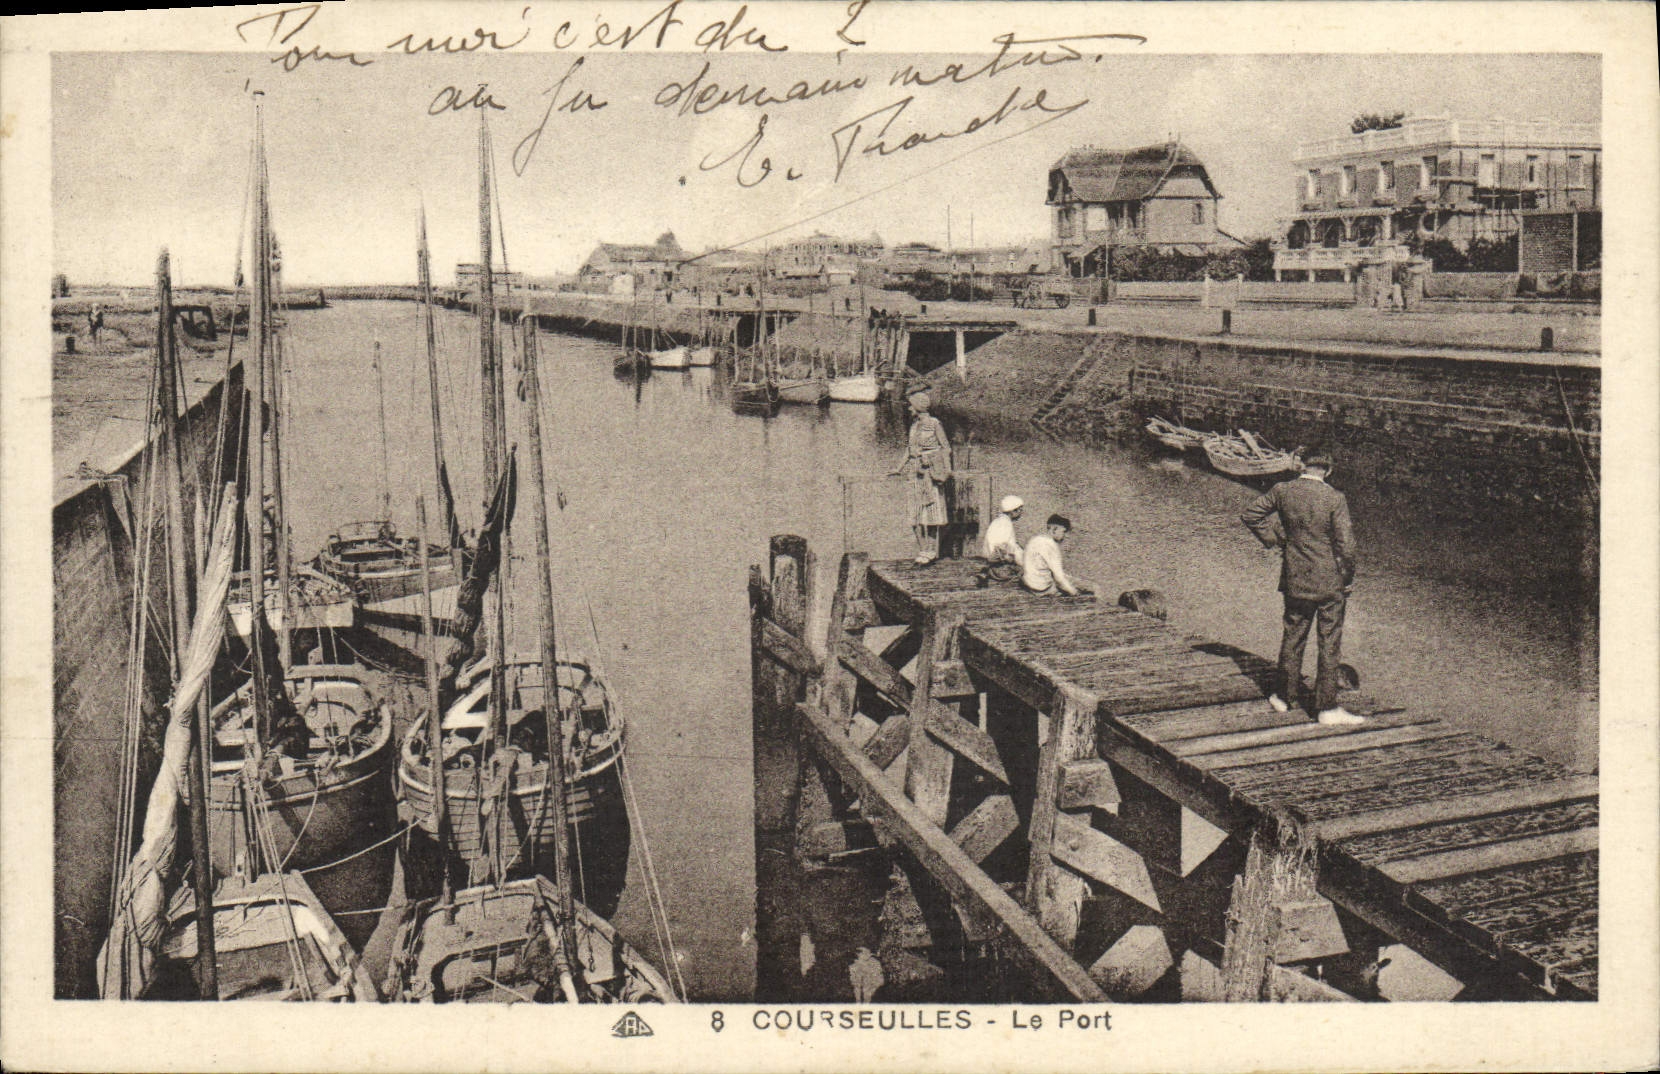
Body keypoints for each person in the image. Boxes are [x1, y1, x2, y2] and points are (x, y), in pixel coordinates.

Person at [1240, 451, 1361, 725]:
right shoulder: (1335, 498)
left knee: (1293, 636)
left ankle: (1283, 697)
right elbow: (1347, 547)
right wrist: (1347, 577)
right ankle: (1326, 708)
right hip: (1329, 582)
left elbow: (1251, 514)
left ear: (1300, 466)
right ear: (1327, 470)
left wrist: (1276, 539)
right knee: (1329, 642)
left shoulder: (1283, 490)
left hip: (1295, 578)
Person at [890, 390, 952, 565]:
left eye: (911, 405)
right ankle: (922, 549)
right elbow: (909, 450)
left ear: (919, 407)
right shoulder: (914, 426)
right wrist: (898, 468)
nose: (909, 409)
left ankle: (931, 551)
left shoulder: (934, 424)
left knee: (932, 515)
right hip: (914, 473)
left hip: (930, 474)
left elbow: (946, 447)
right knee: (915, 515)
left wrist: (936, 462)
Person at [1022, 514, 1086, 596]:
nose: (1065, 536)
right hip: (1041, 588)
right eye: (1064, 532)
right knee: (1084, 587)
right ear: (1054, 529)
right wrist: (1074, 592)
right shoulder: (1051, 545)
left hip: (1029, 582)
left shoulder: (1035, 540)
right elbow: (1059, 578)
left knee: (1070, 579)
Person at [984, 495, 1025, 566]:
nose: (1021, 513)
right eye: (1020, 510)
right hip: (1000, 564)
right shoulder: (1004, 523)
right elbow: (1000, 548)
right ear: (1013, 511)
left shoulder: (1000, 521)